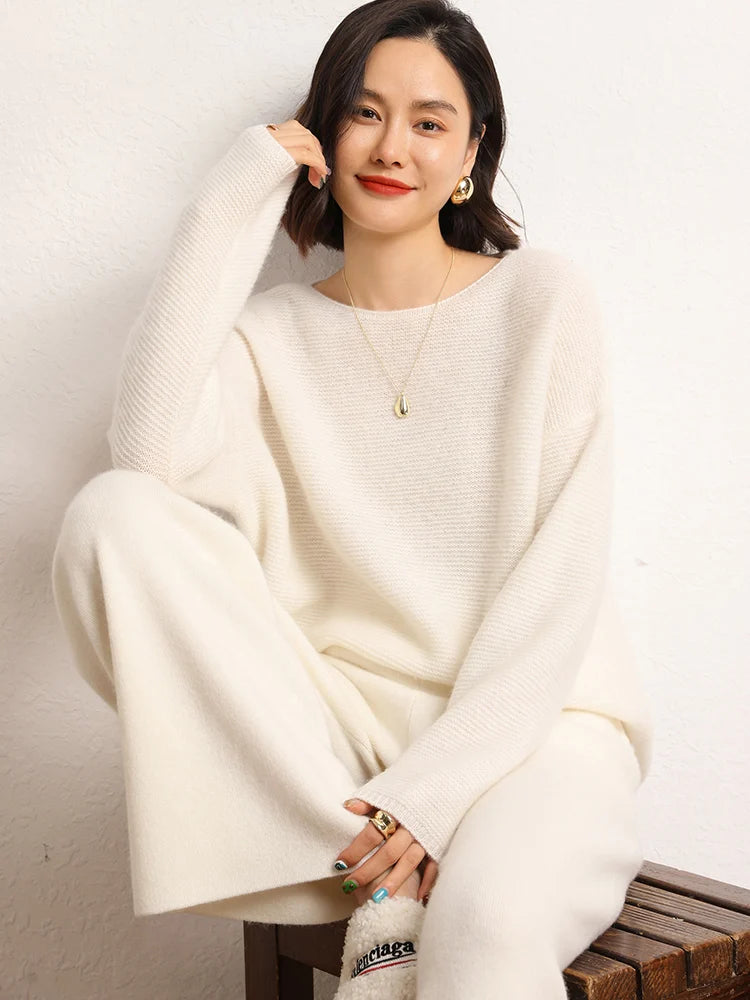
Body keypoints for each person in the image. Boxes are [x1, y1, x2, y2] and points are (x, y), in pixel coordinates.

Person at [50, 1, 655, 997]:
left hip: (535, 729)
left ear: (472, 152)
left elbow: (558, 590)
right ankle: (376, 870)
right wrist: (227, 204)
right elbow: (146, 456)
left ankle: (395, 903)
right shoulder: (268, 336)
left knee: (489, 931)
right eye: (364, 113)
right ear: (325, 131)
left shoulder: (541, 300)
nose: (390, 146)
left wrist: (434, 793)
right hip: (336, 753)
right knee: (110, 512)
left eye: (428, 121)